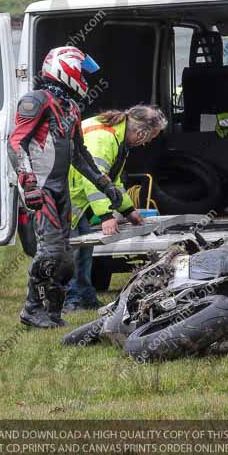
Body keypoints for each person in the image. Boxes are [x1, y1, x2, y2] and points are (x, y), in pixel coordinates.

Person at [8, 46, 123, 329]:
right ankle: (31, 310)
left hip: (61, 192)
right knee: (49, 253)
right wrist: (28, 183)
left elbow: (79, 153)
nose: (85, 79)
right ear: (66, 69)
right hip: (41, 189)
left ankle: (52, 312)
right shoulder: (35, 101)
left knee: (66, 259)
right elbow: (15, 143)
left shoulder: (70, 107)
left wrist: (105, 184)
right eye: (82, 73)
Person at [64, 106, 168, 313]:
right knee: (71, 251)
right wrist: (106, 216)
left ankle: (84, 296)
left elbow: (112, 182)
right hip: (67, 197)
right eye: (151, 137)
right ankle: (70, 300)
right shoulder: (104, 139)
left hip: (76, 197)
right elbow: (93, 179)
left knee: (84, 250)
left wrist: (129, 210)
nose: (147, 143)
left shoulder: (116, 139)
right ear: (141, 132)